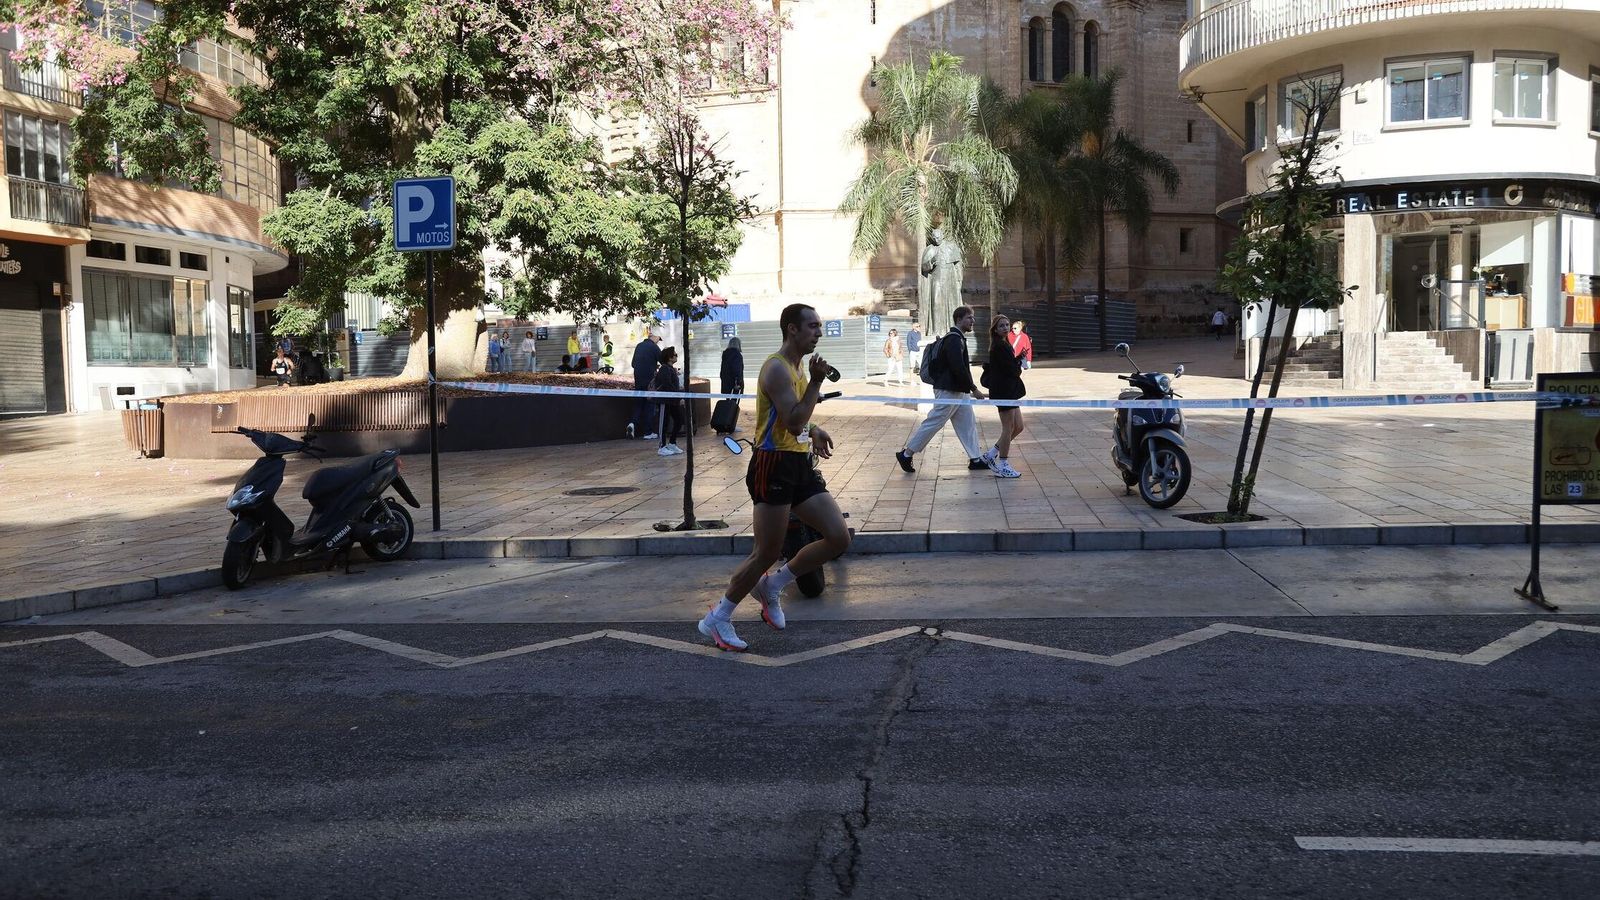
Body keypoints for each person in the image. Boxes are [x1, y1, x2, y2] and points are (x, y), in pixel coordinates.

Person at [699, 303, 849, 652]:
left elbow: (795, 422)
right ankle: (718, 618)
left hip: (797, 463)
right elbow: (792, 419)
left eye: (820, 326)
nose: (819, 332)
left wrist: (814, 428)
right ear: (792, 329)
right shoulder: (778, 369)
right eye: (812, 326)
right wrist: (815, 385)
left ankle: (773, 585)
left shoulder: (796, 368)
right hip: (772, 465)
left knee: (838, 537)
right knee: (766, 551)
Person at [894, 305, 989, 474]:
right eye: (969, 318)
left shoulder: (956, 338)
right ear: (959, 319)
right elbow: (958, 367)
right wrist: (974, 388)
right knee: (935, 422)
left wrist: (968, 389)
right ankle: (907, 454)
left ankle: (975, 458)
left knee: (967, 424)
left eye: (973, 318)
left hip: (958, 390)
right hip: (949, 390)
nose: (973, 321)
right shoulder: (953, 339)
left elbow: (961, 368)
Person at [980, 314, 1026, 478]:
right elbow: (1011, 370)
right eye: (1002, 326)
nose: (1006, 328)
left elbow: (1008, 366)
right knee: (1008, 428)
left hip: (1010, 391)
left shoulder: (1004, 344)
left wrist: (1017, 359)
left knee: (1018, 426)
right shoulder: (999, 346)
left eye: (1007, 325)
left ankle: (990, 454)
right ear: (995, 329)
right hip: (1004, 391)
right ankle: (1003, 464)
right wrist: (1019, 363)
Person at [628, 330, 663, 440]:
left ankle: (632, 423)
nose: (658, 342)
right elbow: (664, 361)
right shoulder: (654, 347)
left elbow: (633, 364)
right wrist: (653, 367)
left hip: (638, 379)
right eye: (658, 339)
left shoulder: (639, 346)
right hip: (649, 381)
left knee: (639, 403)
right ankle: (648, 432)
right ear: (653, 337)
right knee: (649, 404)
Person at [652, 346, 685, 457]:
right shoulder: (665, 369)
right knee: (663, 423)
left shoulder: (671, 369)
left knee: (679, 420)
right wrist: (677, 397)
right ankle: (662, 446)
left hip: (671, 401)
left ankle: (672, 443)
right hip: (664, 400)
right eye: (675, 354)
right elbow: (667, 385)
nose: (676, 356)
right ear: (669, 357)